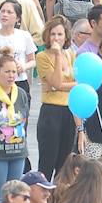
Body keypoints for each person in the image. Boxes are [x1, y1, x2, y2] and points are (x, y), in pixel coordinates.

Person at [35, 16, 78, 181]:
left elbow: (78, 82)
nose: (56, 38)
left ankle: (59, 201)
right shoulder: (43, 57)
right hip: (51, 111)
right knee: (47, 161)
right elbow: (56, 82)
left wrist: (62, 86)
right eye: (53, 34)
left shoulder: (72, 54)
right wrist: (58, 55)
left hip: (69, 110)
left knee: (64, 162)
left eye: (60, 34)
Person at [0, 50, 30, 203]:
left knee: (15, 196)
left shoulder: (22, 94)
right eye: (7, 72)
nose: (11, 75)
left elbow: (25, 120)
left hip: (18, 150)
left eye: (14, 72)